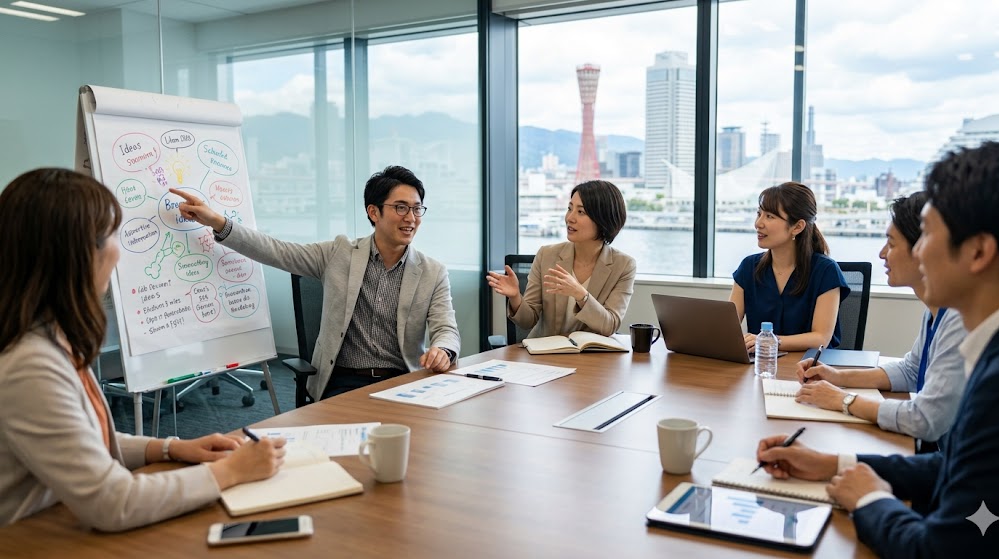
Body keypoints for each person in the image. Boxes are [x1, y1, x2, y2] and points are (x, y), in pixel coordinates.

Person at [755, 141, 999, 557]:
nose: (916, 251)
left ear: (978, 252)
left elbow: (939, 551)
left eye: (926, 235)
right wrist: (834, 464)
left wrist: (868, 498)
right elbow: (955, 467)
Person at [0, 168, 285, 530]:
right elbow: (112, 502)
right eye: (110, 236)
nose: (118, 253)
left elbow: (81, 439)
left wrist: (169, 448)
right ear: (75, 255)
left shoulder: (49, 338)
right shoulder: (30, 365)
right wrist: (232, 471)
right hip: (29, 538)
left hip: (57, 521)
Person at [171, 165, 460, 401]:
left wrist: (443, 351)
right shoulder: (338, 253)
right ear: (374, 212)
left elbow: (446, 329)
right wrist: (217, 222)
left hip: (404, 383)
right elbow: (276, 251)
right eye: (401, 208)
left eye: (417, 209)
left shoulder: (432, 272)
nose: (411, 218)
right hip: (345, 383)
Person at [794, 192, 967, 449]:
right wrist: (837, 376)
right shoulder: (936, 312)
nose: (882, 253)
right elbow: (911, 371)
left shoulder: (958, 319)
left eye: (892, 244)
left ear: (924, 248)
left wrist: (844, 400)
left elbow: (923, 418)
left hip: (949, 457)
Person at [487, 180, 635, 338]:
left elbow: (609, 325)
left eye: (581, 212)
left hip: (589, 352)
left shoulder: (624, 266)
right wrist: (515, 296)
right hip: (545, 349)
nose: (570, 218)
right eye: (570, 209)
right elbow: (527, 321)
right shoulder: (546, 255)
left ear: (603, 219)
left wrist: (581, 295)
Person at [729, 181, 849, 352]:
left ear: (797, 227)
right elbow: (727, 328)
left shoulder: (826, 270)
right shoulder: (749, 267)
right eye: (759, 214)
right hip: (761, 363)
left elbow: (821, 338)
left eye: (769, 216)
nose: (758, 223)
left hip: (810, 365)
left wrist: (770, 342)